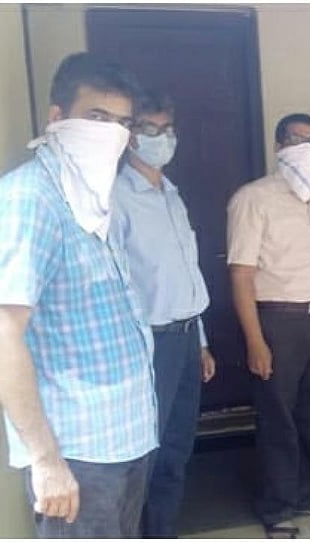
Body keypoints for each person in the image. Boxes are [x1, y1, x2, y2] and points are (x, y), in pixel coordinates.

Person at [0, 52, 157, 538]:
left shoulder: (95, 196)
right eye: (97, 117)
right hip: (76, 451)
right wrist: (45, 461)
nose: (111, 133)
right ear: (56, 118)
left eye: (122, 123)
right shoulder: (28, 199)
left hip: (127, 435)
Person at [227, 113, 310, 539]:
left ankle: (306, 493)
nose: (307, 148)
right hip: (276, 322)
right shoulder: (253, 199)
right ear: (279, 146)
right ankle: (276, 507)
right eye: (298, 139)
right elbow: (241, 274)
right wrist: (255, 340)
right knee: (278, 419)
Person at [109, 89, 217, 538]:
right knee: (146, 455)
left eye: (167, 129)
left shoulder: (172, 194)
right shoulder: (116, 198)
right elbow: (116, 281)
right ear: (130, 136)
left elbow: (185, 272)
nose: (161, 138)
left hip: (187, 337)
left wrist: (202, 342)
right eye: (149, 129)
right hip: (150, 343)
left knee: (176, 449)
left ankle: (162, 531)